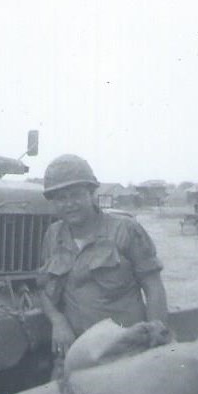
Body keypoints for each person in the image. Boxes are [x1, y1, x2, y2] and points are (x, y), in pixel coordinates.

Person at [38, 154, 168, 377]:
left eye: (76, 195)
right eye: (61, 198)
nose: (69, 204)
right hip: (76, 352)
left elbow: (153, 287)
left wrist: (156, 339)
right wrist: (57, 321)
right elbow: (44, 288)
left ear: (91, 193)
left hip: (125, 349)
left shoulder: (125, 230)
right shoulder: (53, 235)